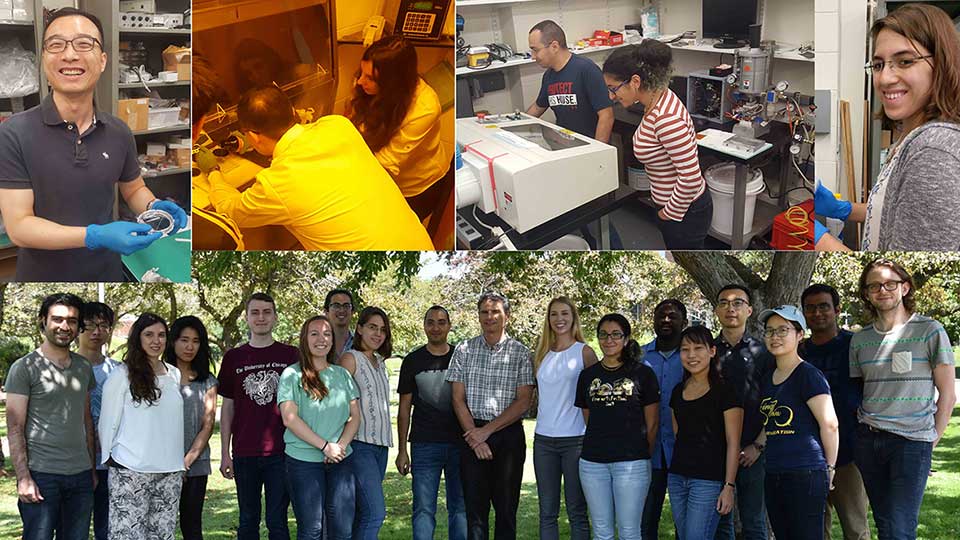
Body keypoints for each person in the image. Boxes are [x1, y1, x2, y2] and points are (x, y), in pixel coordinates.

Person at [0, 8, 187, 281]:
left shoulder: (119, 131)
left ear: (102, 61)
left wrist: (153, 206)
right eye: (56, 44)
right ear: (44, 60)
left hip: (107, 273)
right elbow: (19, 227)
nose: (70, 54)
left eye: (83, 43)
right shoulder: (14, 133)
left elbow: (134, 188)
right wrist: (94, 235)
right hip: (41, 277)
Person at [200, 85, 434, 250]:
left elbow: (231, 211)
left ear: (254, 137)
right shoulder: (338, 126)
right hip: (419, 244)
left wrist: (214, 173)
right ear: (292, 112)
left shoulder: (276, 184)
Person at [814, 3, 960, 251]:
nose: (885, 78)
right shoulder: (910, 138)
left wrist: (817, 240)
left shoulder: (933, 151)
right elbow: (897, 217)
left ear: (942, 63)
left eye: (904, 61)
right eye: (879, 64)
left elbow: (896, 267)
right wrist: (846, 209)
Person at [850, 259, 956, 539]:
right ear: (866, 293)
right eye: (874, 285)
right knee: (885, 525)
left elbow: (948, 393)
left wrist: (931, 439)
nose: (882, 290)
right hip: (869, 441)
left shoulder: (930, 331)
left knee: (900, 529)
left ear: (905, 288)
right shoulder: (859, 340)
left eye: (890, 284)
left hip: (911, 443)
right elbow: (860, 390)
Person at [602, 42, 713, 250]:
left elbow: (690, 177)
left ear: (635, 81)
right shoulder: (657, 98)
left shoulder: (666, 119)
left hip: (684, 212)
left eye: (613, 88)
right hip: (674, 205)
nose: (611, 96)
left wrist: (667, 213)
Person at [5, 293, 96, 540]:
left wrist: (92, 469)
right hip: (41, 476)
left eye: (72, 321)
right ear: (43, 321)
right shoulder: (24, 368)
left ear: (78, 327)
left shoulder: (83, 367)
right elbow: (14, 426)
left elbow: (86, 420)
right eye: (57, 319)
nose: (65, 326)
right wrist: (23, 478)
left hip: (80, 477)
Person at [446, 292, 534, 540]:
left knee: (506, 510)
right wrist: (476, 438)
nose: (489, 317)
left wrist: (487, 432)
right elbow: (457, 398)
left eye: (495, 311)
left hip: (508, 437)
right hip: (471, 434)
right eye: (484, 312)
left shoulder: (520, 352)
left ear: (507, 316)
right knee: (475, 512)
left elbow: (524, 400)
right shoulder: (464, 349)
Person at [217, 293, 299, 540]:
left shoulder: (291, 355)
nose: (261, 317)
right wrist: (224, 453)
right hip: (244, 453)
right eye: (255, 312)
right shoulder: (234, 357)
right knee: (247, 521)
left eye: (266, 312)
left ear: (275, 316)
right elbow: (228, 407)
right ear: (246, 317)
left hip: (282, 452)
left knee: (278, 522)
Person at [348, 34, 451, 224]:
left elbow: (386, 163)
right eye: (361, 72)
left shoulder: (424, 108)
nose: (361, 81)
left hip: (417, 187)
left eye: (370, 78)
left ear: (393, 83)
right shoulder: (365, 83)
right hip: (379, 175)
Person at [98, 313, 185, 540]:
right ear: (138, 338)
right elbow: (108, 422)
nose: (156, 341)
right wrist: (109, 457)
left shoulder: (174, 374)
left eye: (161, 335)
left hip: (169, 471)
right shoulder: (122, 375)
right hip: (130, 469)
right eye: (149, 335)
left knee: (162, 535)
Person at [758, 305, 840, 540]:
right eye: (770, 331)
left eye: (783, 330)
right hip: (774, 471)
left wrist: (830, 469)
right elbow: (771, 423)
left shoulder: (809, 375)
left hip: (805, 473)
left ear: (800, 334)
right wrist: (756, 446)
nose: (775, 337)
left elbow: (830, 424)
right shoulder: (768, 378)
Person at [575, 313, 659, 540]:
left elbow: (652, 423)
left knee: (629, 531)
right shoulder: (587, 376)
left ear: (626, 338)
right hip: (593, 463)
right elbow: (588, 417)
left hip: (632, 464)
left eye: (615, 335)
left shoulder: (643, 373)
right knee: (602, 532)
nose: (608, 340)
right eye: (603, 334)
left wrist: (641, 454)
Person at [278, 315, 361, 540]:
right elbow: (290, 418)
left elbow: (355, 416)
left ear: (333, 340)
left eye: (326, 334)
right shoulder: (291, 375)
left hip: (341, 460)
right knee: (312, 530)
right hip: (303, 462)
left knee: (342, 530)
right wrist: (325, 447)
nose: (321, 339)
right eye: (314, 334)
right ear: (304, 339)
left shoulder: (342, 374)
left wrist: (340, 447)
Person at [798, 285, 870, 540]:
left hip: (849, 452)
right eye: (810, 308)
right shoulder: (799, 352)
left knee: (856, 527)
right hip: (808, 453)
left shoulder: (855, 345)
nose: (817, 313)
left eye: (823, 306)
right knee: (814, 530)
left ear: (837, 310)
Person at [396, 305, 467, 540]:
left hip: (461, 444)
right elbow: (404, 409)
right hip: (424, 445)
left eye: (441, 322)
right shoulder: (412, 361)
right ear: (424, 325)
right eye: (430, 322)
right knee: (424, 510)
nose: (435, 327)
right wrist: (402, 451)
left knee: (460, 509)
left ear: (449, 325)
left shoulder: (461, 358)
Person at [668, 325, 743, 540]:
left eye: (698, 348)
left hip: (709, 480)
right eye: (685, 349)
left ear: (712, 351)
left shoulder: (726, 390)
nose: (691, 355)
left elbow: (733, 442)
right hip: (677, 477)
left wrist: (728, 486)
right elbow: (678, 434)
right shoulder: (677, 391)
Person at [531, 297, 597, 540]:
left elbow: (595, 399)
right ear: (548, 319)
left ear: (573, 318)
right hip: (544, 442)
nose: (559, 319)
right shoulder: (541, 354)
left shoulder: (585, 352)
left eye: (565, 314)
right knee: (547, 512)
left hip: (576, 441)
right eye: (554, 314)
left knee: (577, 510)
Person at [712, 284, 773, 540]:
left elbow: (775, 403)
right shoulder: (708, 351)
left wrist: (758, 445)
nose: (730, 308)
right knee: (719, 520)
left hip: (752, 451)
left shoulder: (763, 353)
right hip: (714, 450)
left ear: (749, 310)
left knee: (754, 522)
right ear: (716, 310)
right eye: (724, 302)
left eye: (738, 303)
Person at [338, 307, 395, 540]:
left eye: (382, 329)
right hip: (359, 445)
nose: (378, 333)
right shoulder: (350, 359)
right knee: (375, 513)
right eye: (372, 327)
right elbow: (337, 403)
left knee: (363, 513)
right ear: (359, 328)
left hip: (380, 447)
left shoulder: (380, 361)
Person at [164, 316, 218, 540]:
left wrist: (184, 463)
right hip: (161, 463)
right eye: (184, 339)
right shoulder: (159, 378)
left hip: (195, 465)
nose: (189, 346)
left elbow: (207, 426)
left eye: (195, 341)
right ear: (173, 341)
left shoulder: (208, 381)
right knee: (160, 525)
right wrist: (172, 463)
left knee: (192, 526)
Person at [640, 300, 687, 540]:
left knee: (685, 521)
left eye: (672, 316)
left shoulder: (693, 356)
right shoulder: (639, 356)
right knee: (646, 519)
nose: (666, 320)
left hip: (684, 450)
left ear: (684, 322)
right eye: (661, 316)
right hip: (648, 449)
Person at [526, 20, 614, 143]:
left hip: (589, 148)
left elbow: (606, 116)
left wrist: (598, 150)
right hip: (566, 146)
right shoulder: (548, 76)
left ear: (554, 46)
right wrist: (516, 124)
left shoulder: (586, 69)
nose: (533, 56)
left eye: (536, 50)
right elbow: (537, 107)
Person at [76, 301, 120, 540]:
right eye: (90, 325)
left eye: (103, 325)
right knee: (74, 528)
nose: (96, 331)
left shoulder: (119, 370)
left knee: (108, 528)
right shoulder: (66, 367)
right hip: (75, 463)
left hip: (111, 462)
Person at [323, 289, 355, 357]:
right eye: (336, 306)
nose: (341, 310)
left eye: (346, 306)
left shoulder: (360, 344)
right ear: (326, 312)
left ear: (352, 312)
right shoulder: (318, 343)